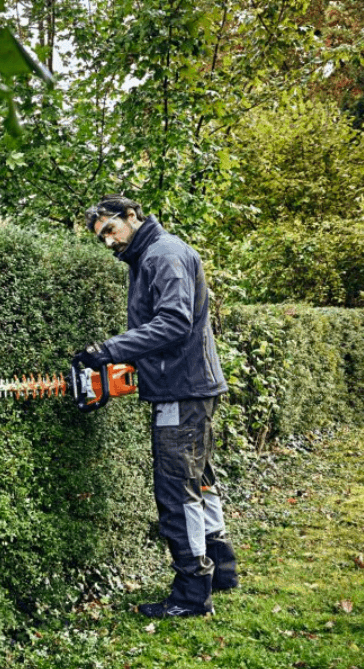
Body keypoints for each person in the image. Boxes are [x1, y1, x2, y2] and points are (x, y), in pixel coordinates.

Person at [79, 195, 238, 618]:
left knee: (176, 489)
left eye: (110, 230)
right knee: (200, 479)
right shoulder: (155, 253)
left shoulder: (161, 254)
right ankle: (221, 568)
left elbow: (173, 322)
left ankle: (191, 593)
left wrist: (108, 350)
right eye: (102, 238)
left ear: (132, 216)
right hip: (191, 384)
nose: (109, 242)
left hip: (179, 389)